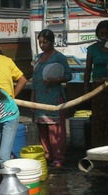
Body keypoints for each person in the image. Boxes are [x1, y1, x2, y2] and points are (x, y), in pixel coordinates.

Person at [31, 29, 72, 167]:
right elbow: (35, 79)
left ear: (52, 42)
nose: (42, 45)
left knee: (55, 129)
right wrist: (32, 98)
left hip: (54, 98)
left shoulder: (59, 57)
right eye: (40, 42)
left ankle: (58, 156)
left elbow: (68, 76)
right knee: (42, 127)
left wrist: (55, 80)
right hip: (39, 97)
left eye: (45, 42)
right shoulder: (38, 58)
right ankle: (47, 154)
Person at [84, 20, 108, 147]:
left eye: (107, 33)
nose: (104, 36)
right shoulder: (92, 49)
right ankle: (98, 148)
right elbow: (87, 69)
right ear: (97, 34)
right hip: (98, 88)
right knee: (99, 119)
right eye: (101, 33)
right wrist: (86, 89)